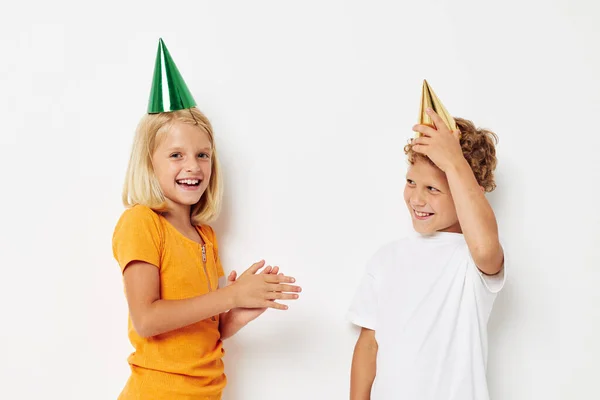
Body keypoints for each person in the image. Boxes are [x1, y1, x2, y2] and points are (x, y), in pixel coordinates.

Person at [112, 38, 301, 400]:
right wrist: (228, 294)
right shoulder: (141, 222)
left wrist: (239, 309)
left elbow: (201, 332)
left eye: (202, 154)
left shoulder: (205, 236)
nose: (193, 167)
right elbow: (147, 319)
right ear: (148, 163)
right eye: (176, 155)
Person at [349, 80, 506, 400]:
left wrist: (454, 162)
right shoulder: (386, 259)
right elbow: (368, 344)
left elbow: (488, 247)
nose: (416, 199)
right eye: (411, 182)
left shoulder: (471, 262)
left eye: (432, 189)